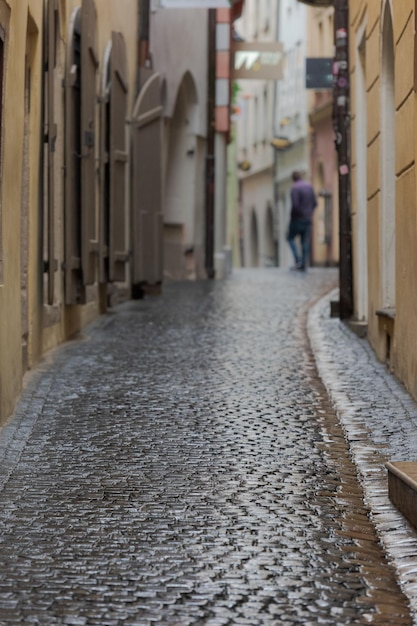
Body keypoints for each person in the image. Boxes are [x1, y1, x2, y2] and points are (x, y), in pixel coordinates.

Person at [286, 170, 317, 271]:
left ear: (293, 179)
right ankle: (304, 263)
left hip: (297, 219)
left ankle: (298, 260)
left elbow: (295, 205)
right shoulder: (309, 187)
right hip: (308, 218)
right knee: (305, 241)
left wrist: (294, 217)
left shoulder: (295, 188)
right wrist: (309, 212)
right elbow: (315, 203)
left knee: (290, 238)